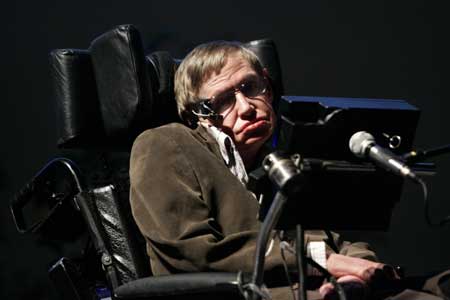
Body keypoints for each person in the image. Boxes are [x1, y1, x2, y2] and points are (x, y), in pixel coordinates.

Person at [129, 41, 443, 300]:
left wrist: (360, 267)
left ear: (268, 85)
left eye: (251, 87)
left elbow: (323, 240)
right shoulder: (165, 143)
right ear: (199, 114)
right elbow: (193, 251)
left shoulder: (278, 162)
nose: (246, 106)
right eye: (224, 99)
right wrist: (323, 265)